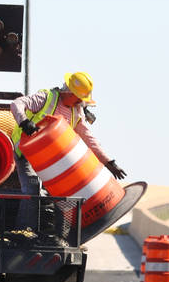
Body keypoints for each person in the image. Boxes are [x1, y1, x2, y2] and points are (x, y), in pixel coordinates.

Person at [9, 71, 126, 228]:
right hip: (27, 154)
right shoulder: (47, 98)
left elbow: (88, 138)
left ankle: (58, 234)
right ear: (69, 92)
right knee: (32, 187)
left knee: (64, 195)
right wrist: (24, 122)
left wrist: (108, 162)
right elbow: (17, 104)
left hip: (52, 159)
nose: (80, 102)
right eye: (78, 98)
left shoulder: (76, 111)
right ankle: (23, 230)